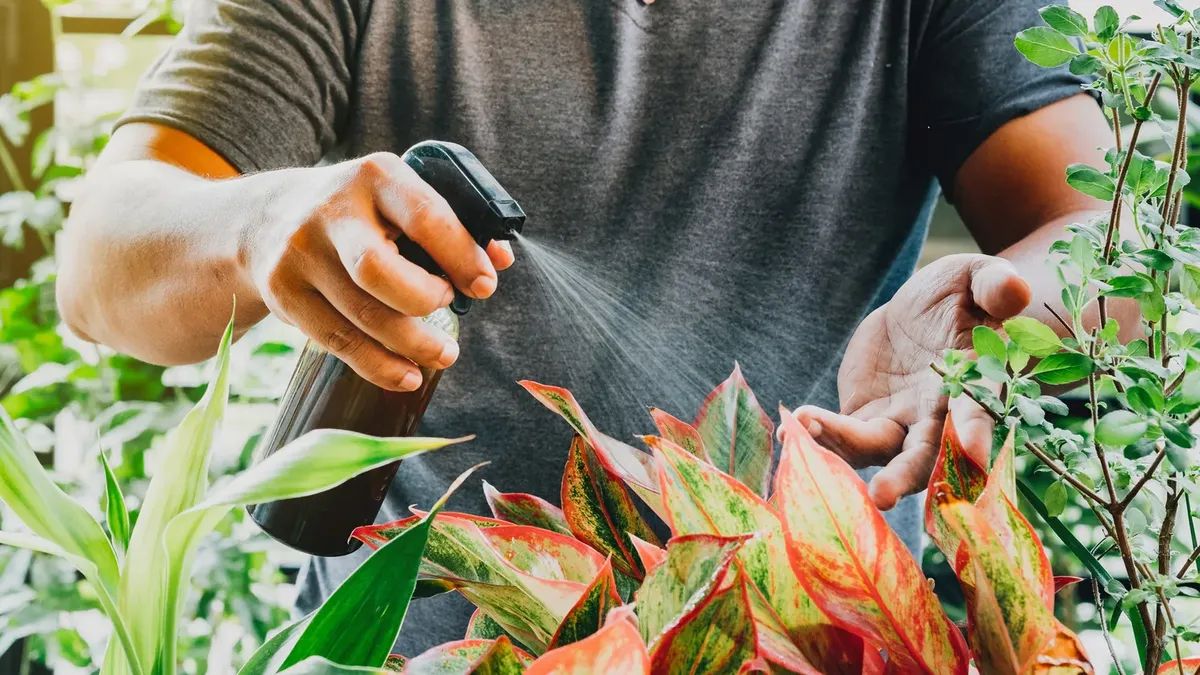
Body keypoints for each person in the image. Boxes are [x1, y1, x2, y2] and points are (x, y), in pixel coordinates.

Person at [56, 0, 1124, 656]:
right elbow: (102, 266)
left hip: (810, 641)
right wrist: (255, 225)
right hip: (419, 647)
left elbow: (1112, 240)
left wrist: (997, 320)